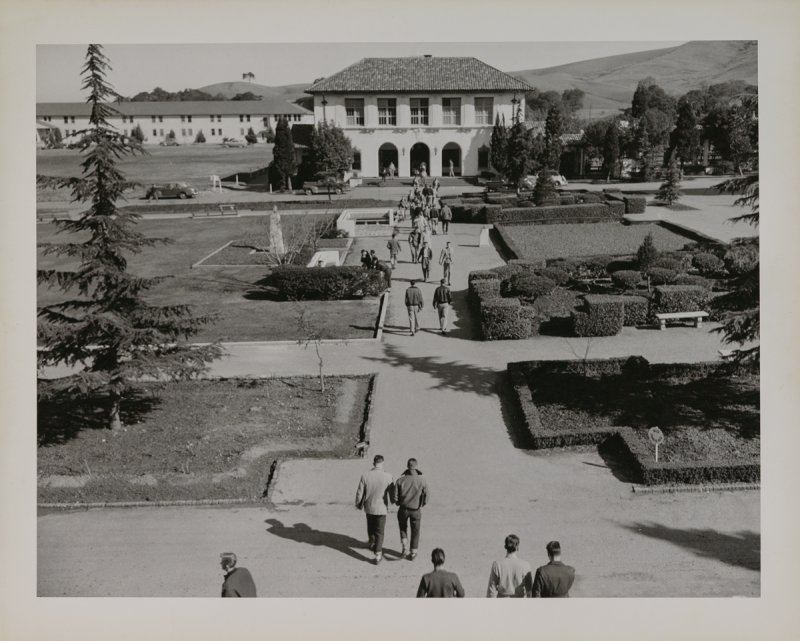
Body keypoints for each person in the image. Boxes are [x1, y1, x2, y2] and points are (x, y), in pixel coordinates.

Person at [355, 454, 395, 564]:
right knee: (380, 531)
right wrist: (393, 502)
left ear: (373, 463)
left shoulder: (365, 475)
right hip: (382, 508)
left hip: (369, 507)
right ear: (382, 464)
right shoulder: (388, 476)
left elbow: (360, 492)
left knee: (371, 527)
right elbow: (392, 494)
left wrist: (358, 504)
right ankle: (378, 554)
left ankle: (372, 542)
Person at [393, 458, 429, 560]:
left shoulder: (400, 480)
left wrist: (398, 503)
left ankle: (404, 547)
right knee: (415, 531)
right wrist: (421, 504)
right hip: (416, 510)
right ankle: (413, 552)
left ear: (407, 466)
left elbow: (394, 497)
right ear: (416, 466)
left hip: (403, 509)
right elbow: (427, 497)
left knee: (403, 528)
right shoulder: (422, 480)